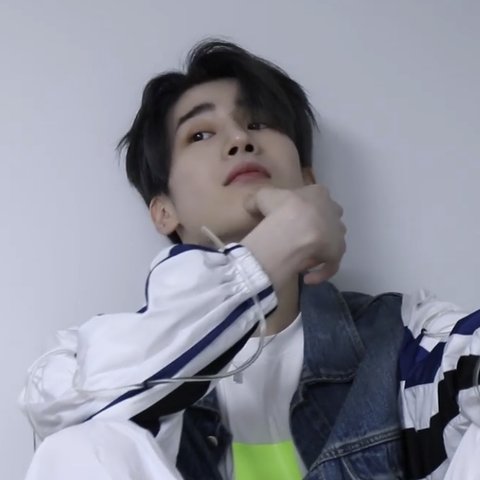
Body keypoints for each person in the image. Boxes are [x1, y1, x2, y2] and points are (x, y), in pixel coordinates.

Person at [19, 39, 480, 480]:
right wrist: (273, 250)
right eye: (200, 134)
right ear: (163, 212)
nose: (240, 139)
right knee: (81, 444)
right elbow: (63, 414)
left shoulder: (401, 336)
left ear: (307, 181)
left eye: (258, 123)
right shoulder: (86, 357)